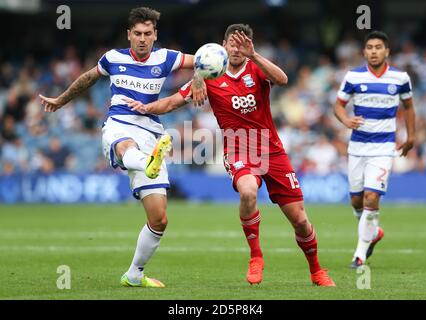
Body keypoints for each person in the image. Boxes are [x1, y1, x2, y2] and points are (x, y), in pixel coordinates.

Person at [125, 24, 336, 287]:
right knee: (248, 191)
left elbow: (282, 80)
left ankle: (316, 271)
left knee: (300, 220)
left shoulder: (257, 67)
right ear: (223, 46)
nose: (236, 48)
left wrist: (255, 55)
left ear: (248, 45)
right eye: (232, 43)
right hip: (238, 148)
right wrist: (144, 108)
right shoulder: (210, 74)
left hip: (271, 149)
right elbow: (170, 103)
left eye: (242, 44)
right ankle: (256, 256)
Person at [39, 7, 205, 288]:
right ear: (129, 35)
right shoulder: (113, 58)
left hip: (151, 133)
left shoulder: (166, 58)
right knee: (124, 145)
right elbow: (88, 78)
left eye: (148, 34)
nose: (142, 39)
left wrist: (199, 76)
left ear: (155, 35)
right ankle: (145, 163)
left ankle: (134, 275)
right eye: (137, 34)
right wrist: (61, 100)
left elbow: (203, 58)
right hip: (119, 125)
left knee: (160, 219)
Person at [334, 31, 416, 268]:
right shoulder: (353, 76)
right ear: (364, 51)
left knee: (371, 198)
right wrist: (346, 120)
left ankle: (359, 255)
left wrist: (411, 137)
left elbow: (409, 107)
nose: (373, 51)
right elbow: (338, 106)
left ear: (387, 51)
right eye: (369, 47)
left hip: (383, 148)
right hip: (357, 147)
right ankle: (374, 232)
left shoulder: (400, 78)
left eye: (378, 47)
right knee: (356, 201)